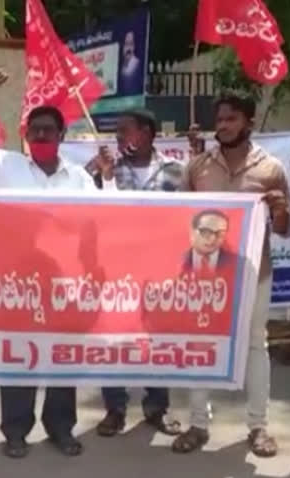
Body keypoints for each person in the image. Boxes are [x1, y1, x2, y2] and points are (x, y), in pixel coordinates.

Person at [0, 67, 115, 459]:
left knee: (62, 357)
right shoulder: (5, 166)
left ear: (61, 137)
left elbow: (105, 218)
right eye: (35, 130)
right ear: (25, 137)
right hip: (17, 281)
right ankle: (15, 431)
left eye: (48, 130)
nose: (41, 136)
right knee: (19, 355)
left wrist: (107, 178)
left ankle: (61, 428)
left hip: (65, 283)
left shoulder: (78, 177)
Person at [171, 90, 290, 458]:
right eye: (220, 119)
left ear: (249, 122)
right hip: (204, 273)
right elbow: (179, 218)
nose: (223, 126)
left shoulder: (270, 168)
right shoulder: (198, 167)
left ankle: (258, 427)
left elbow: (286, 228)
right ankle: (198, 424)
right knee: (200, 344)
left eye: (231, 119)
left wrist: (280, 210)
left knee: (257, 344)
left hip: (254, 271)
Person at [86, 108, 183, 437]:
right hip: (116, 271)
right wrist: (102, 173)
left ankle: (158, 407)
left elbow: (189, 217)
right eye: (117, 132)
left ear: (147, 132)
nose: (119, 137)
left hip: (161, 271)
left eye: (125, 130)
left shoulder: (176, 171)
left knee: (157, 340)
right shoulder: (104, 170)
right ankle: (114, 408)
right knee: (113, 340)